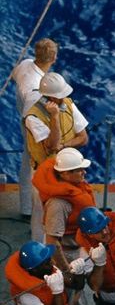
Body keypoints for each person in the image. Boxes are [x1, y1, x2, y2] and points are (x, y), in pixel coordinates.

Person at [32, 148, 98, 305]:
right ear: (64, 173)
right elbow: (52, 241)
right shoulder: (58, 204)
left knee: (79, 286)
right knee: (63, 293)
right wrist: (65, 270)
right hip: (66, 253)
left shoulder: (74, 189)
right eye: (79, 170)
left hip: (77, 246)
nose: (84, 173)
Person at [24, 72, 88, 243]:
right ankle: (39, 248)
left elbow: (83, 137)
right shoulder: (33, 117)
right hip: (45, 172)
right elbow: (52, 145)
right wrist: (54, 117)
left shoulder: (68, 104)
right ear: (49, 97)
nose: (64, 98)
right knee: (41, 213)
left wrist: (64, 147)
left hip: (68, 169)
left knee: (67, 209)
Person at [11, 38, 58, 220]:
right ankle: (35, 213)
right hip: (32, 125)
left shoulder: (25, 64)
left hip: (24, 120)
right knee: (35, 168)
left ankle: (26, 209)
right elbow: (33, 112)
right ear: (53, 57)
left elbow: (16, 75)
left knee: (26, 163)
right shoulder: (37, 89)